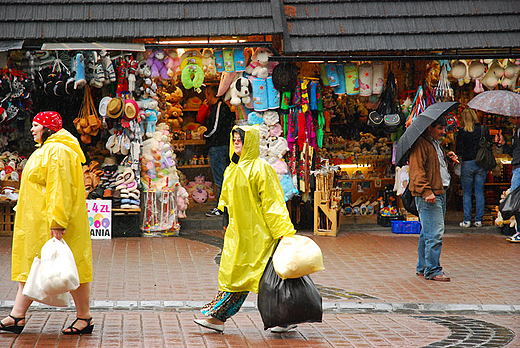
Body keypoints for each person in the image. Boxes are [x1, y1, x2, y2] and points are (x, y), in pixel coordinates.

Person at [194, 125, 297, 333]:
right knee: (236, 275)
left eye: (240, 138)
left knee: (264, 278)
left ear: (249, 140)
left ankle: (219, 317)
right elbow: (226, 199)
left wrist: (284, 232)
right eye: (234, 138)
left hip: (261, 235)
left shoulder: (261, 168)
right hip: (239, 234)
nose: (236, 141)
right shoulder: (232, 168)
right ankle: (220, 317)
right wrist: (225, 217)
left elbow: (273, 203)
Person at [0, 111, 94, 335]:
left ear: (47, 128)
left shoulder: (56, 151)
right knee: (33, 267)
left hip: (48, 221)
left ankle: (84, 317)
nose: (32, 130)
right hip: (39, 221)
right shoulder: (50, 149)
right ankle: (17, 315)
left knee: (72, 269)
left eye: (36, 125)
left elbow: (59, 187)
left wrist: (58, 221)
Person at [409, 115, 458, 282]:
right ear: (430, 127)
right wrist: (426, 191)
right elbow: (416, 171)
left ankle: (423, 267)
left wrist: (447, 158)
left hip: (438, 191)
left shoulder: (434, 144)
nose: (443, 132)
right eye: (440, 128)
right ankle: (433, 269)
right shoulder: (421, 144)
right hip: (431, 194)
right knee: (434, 233)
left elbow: (434, 167)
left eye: (444, 129)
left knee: (427, 231)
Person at [197, 85, 233, 217]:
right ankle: (223, 205)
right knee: (222, 177)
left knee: (220, 178)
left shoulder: (219, 107)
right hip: (220, 146)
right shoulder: (218, 107)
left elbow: (215, 127)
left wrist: (205, 135)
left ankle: (221, 207)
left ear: (210, 95)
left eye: (207, 95)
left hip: (218, 146)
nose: (206, 98)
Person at [456, 109, 493, 228]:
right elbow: (489, 144)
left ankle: (467, 220)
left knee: (466, 192)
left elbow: (458, 150)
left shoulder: (462, 132)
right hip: (481, 162)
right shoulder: (483, 129)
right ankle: (478, 220)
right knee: (479, 191)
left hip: (467, 163)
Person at [496, 116, 520, 243]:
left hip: (518, 167)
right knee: (515, 199)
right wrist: (504, 144)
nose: (513, 121)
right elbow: (514, 151)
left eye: (515, 118)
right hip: (517, 166)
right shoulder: (516, 130)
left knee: (515, 199)